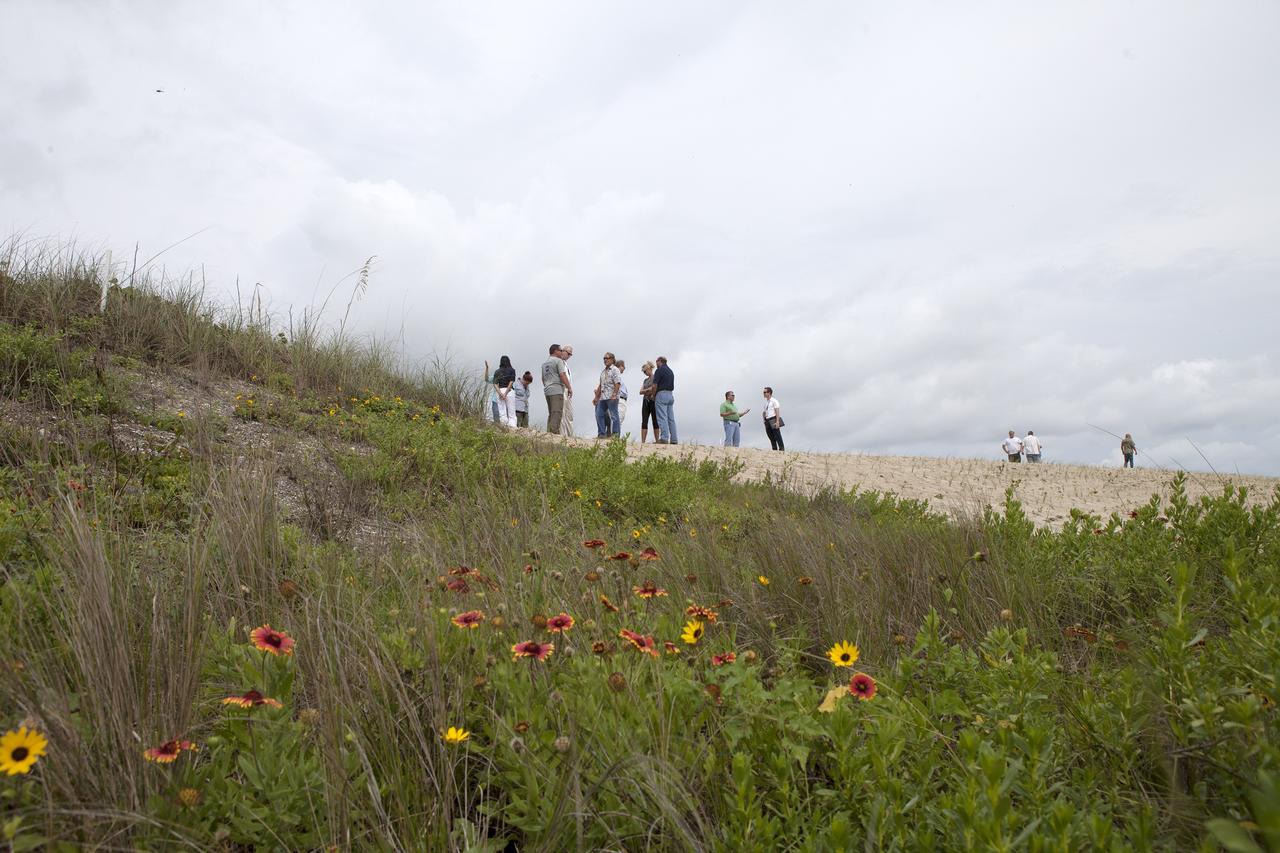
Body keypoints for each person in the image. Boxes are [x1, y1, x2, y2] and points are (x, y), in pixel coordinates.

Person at [541, 344, 570, 434]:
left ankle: (548, 432)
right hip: (557, 390)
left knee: (551, 413)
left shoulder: (544, 364)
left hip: (547, 390)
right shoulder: (558, 361)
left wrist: (547, 385)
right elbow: (562, 375)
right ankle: (554, 433)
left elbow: (543, 378)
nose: (562, 352)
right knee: (557, 412)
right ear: (555, 351)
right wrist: (569, 387)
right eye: (560, 350)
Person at [593, 352, 622, 438]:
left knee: (614, 416)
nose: (605, 360)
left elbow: (617, 383)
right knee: (599, 414)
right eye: (604, 358)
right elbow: (600, 385)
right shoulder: (603, 372)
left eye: (607, 358)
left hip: (612, 397)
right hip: (603, 398)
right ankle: (601, 434)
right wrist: (596, 397)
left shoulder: (615, 370)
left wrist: (614, 394)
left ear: (612, 359)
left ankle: (616, 435)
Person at [652, 356, 677, 444]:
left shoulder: (659, 370)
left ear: (660, 361)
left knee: (662, 417)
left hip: (661, 394)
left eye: (656, 361)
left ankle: (664, 438)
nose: (656, 363)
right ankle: (674, 439)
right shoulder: (671, 371)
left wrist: (653, 395)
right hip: (670, 395)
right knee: (671, 418)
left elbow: (654, 385)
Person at [491, 355, 517, 428]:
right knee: (511, 412)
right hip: (509, 391)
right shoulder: (512, 370)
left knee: (502, 412)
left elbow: (495, 384)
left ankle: (504, 428)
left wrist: (500, 393)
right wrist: (506, 393)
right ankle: (513, 428)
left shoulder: (497, 371)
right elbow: (511, 382)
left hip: (500, 390)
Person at [639, 361, 660, 443]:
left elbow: (654, 388)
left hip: (654, 401)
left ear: (650, 369)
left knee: (655, 421)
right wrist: (648, 390)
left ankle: (657, 440)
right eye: (643, 371)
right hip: (645, 401)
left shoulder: (655, 378)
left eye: (645, 371)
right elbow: (640, 391)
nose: (644, 373)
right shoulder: (645, 380)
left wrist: (647, 390)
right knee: (644, 421)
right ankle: (643, 441)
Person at [558, 345, 576, 436]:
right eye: (568, 353)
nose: (569, 356)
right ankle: (562, 434)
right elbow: (562, 376)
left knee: (569, 413)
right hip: (562, 388)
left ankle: (569, 434)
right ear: (563, 351)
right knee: (562, 412)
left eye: (570, 354)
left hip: (568, 389)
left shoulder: (566, 364)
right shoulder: (559, 362)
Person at [615, 360, 629, 433]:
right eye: (623, 366)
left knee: (619, 419)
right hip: (620, 400)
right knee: (619, 419)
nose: (624, 368)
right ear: (620, 366)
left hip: (621, 400)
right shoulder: (617, 376)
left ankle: (615, 437)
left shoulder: (618, 376)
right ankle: (615, 438)